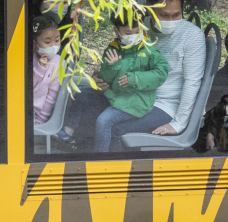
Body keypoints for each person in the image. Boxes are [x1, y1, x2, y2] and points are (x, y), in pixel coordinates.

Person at [62, 10, 171, 151]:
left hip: (135, 101)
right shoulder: (113, 49)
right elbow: (105, 79)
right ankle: (70, 134)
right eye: (127, 32)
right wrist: (111, 68)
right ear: (117, 31)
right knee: (82, 95)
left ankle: (101, 159)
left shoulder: (149, 50)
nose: (133, 36)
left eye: (137, 31)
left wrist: (135, 79)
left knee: (104, 121)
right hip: (115, 96)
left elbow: (161, 73)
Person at [144, 0, 207, 138]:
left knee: (111, 125)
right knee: (86, 98)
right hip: (136, 98)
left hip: (167, 106)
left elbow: (192, 82)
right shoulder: (141, 28)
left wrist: (178, 123)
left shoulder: (191, 36)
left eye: (176, 15)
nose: (170, 21)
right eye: (164, 15)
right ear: (150, 11)